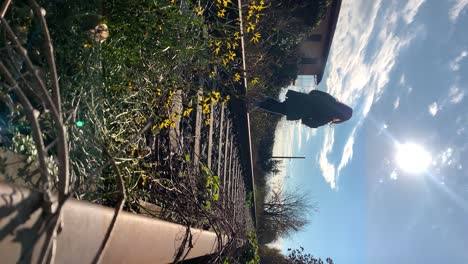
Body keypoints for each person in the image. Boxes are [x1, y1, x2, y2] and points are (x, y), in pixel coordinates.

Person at [257, 89, 353, 128]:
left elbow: (314, 92)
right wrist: (304, 118)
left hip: (298, 98)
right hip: (297, 111)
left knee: (279, 105)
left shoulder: (331, 99)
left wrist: (309, 99)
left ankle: (262, 97)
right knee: (277, 108)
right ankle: (256, 102)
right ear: (341, 118)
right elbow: (311, 124)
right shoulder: (327, 118)